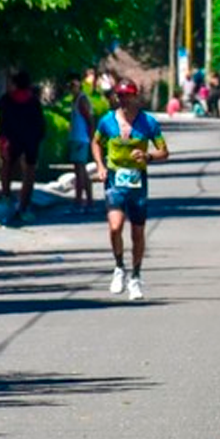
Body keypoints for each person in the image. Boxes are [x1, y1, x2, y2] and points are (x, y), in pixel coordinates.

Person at [92, 78, 170, 301]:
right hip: (115, 180)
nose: (124, 100)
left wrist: (148, 156)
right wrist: (100, 165)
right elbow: (96, 142)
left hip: (137, 182)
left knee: (137, 232)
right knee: (115, 227)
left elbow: (164, 152)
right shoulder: (107, 121)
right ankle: (119, 267)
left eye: (128, 96)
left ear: (136, 96)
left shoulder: (148, 123)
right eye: (121, 96)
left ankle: (135, 276)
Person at [0, 71, 46, 224]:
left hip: (11, 139)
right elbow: (40, 124)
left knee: (6, 167)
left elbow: (2, 122)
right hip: (30, 140)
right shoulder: (33, 102)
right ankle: (23, 206)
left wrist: (2, 139)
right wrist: (38, 138)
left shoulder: (6, 100)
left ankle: (6, 197)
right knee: (29, 172)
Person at [67, 72, 95, 214]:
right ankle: (87, 200)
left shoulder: (82, 100)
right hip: (76, 138)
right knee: (81, 171)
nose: (71, 88)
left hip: (80, 139)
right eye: (70, 86)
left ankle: (80, 201)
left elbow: (89, 119)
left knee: (80, 171)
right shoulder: (75, 99)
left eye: (74, 85)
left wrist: (92, 138)